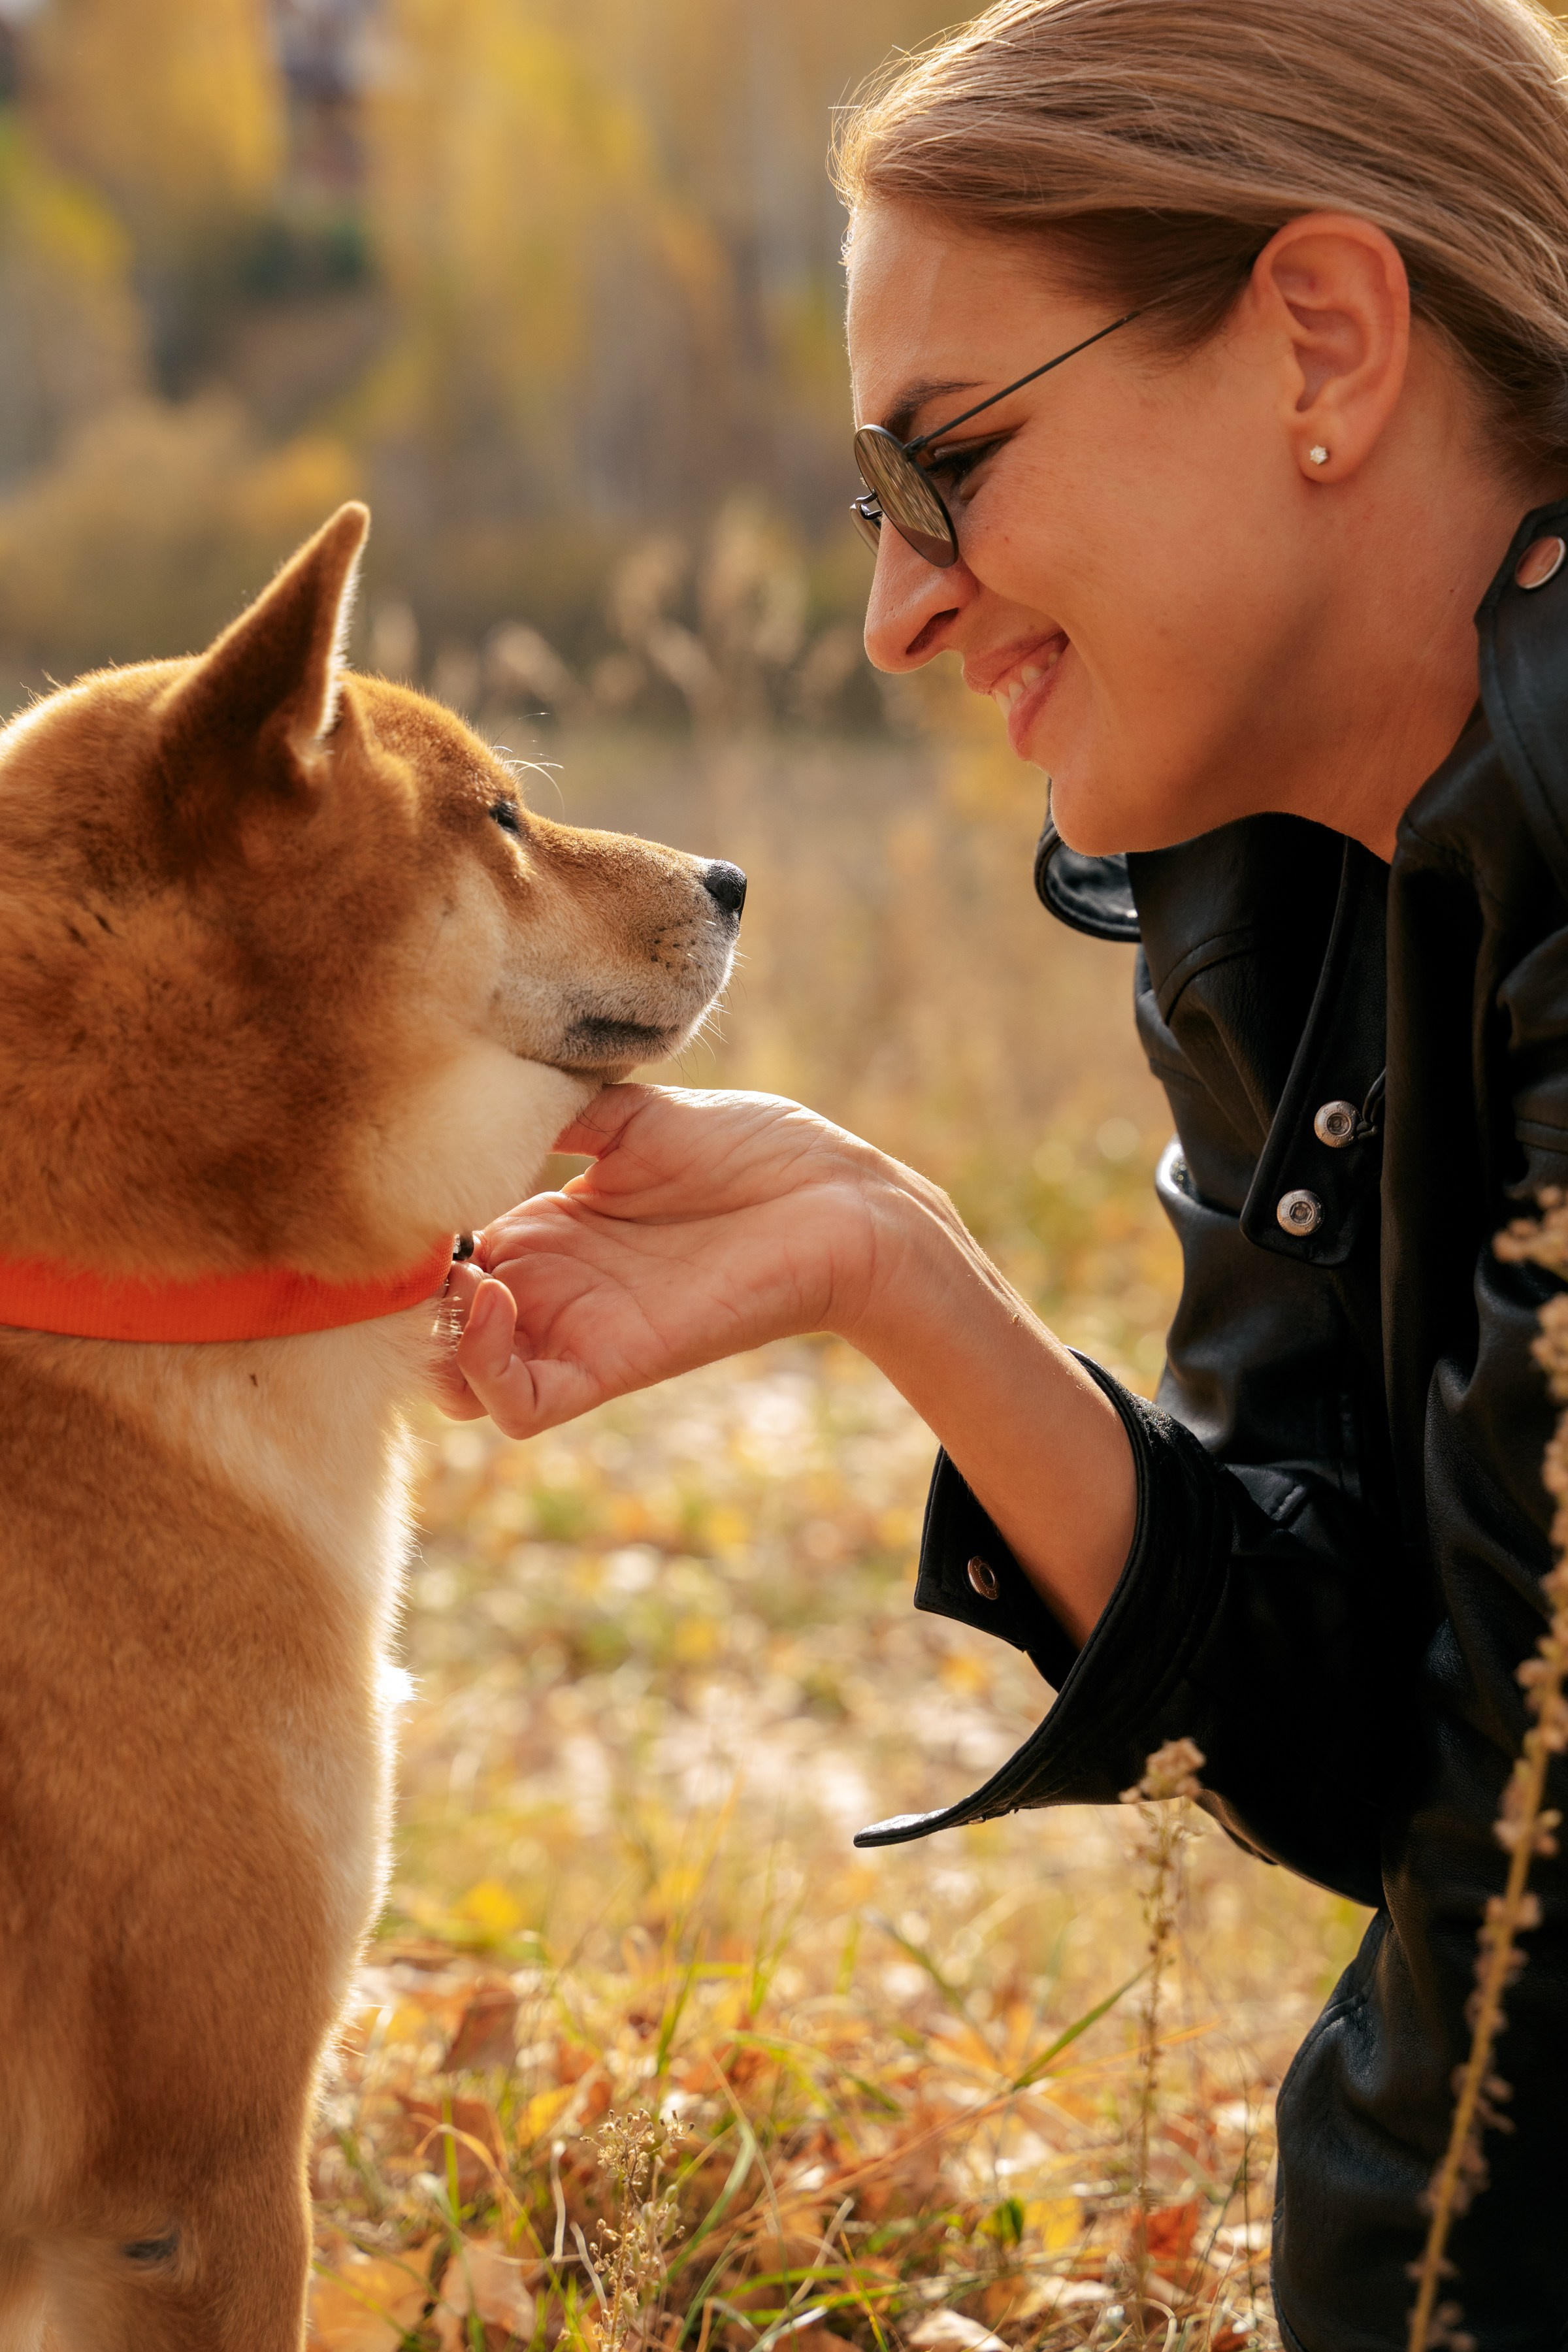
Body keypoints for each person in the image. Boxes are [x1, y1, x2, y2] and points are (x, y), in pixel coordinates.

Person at [437, 0, 1568, 2338]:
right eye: (878, 504)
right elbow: (1392, 1744)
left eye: (948, 461)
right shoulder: (1293, 885)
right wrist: (894, 1268)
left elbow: (1518, 2033)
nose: (898, 608)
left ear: (1324, 346)